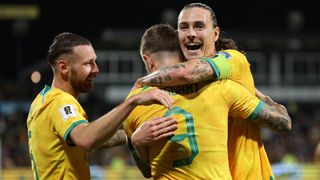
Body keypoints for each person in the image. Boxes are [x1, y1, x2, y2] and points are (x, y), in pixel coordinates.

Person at [132, 3, 291, 180]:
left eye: (199, 26)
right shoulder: (181, 91)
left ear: (215, 34)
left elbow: (187, 73)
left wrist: (142, 83)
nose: (191, 33)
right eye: (184, 27)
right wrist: (135, 142)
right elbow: (148, 165)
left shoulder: (231, 60)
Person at [26, 32, 178, 179]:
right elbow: (87, 139)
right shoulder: (60, 102)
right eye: (88, 64)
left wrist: (130, 135)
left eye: (95, 62)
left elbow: (89, 138)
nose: (96, 70)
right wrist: (133, 101)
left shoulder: (41, 101)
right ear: (63, 67)